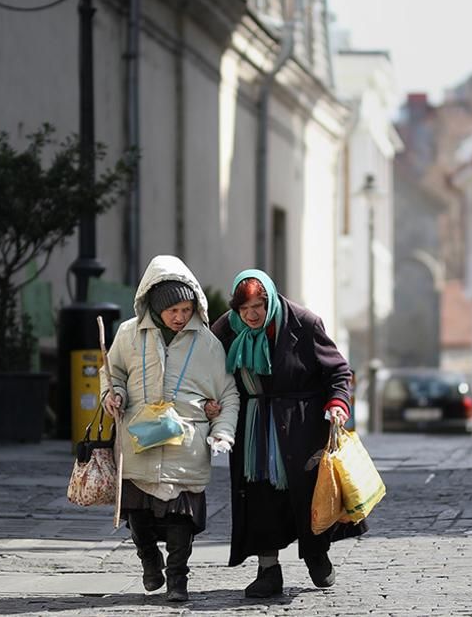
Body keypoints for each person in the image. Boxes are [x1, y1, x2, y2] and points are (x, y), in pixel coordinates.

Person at [208, 269, 365, 598]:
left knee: (308, 495)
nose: (251, 315)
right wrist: (209, 402)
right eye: (244, 309)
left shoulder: (303, 323)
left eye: (258, 307)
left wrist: (337, 403)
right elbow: (207, 373)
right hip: (252, 427)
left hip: (302, 426)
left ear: (271, 301)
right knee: (260, 495)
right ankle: (268, 570)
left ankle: (317, 555)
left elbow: (337, 370)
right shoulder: (223, 330)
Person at [101, 255, 240, 602]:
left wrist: (222, 430)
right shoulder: (128, 334)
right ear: (155, 306)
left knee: (182, 519)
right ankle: (149, 560)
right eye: (173, 311)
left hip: (186, 444)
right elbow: (113, 371)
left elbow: (226, 392)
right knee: (138, 513)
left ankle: (178, 579)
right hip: (138, 440)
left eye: (186, 310)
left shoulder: (207, 343)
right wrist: (113, 394)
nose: (180, 317)